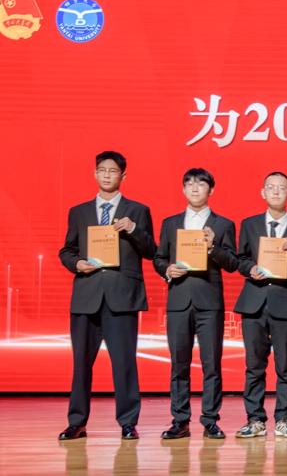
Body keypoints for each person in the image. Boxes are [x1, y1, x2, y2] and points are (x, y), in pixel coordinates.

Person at [57, 150, 157, 440]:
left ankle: (128, 422)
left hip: (122, 296)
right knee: (81, 365)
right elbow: (67, 250)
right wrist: (77, 263)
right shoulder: (79, 211)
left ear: (123, 176)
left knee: (124, 363)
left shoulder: (137, 210)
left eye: (113, 171)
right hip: (86, 295)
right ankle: (77, 422)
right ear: (95, 174)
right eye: (102, 170)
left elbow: (152, 251)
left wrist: (133, 229)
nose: (107, 175)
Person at [153, 168, 238, 439]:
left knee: (211, 363)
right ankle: (180, 420)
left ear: (211, 190)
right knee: (179, 363)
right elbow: (159, 258)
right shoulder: (170, 223)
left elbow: (233, 263)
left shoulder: (223, 225)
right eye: (189, 183)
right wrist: (167, 269)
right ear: (183, 189)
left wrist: (213, 248)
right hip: (179, 299)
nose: (194, 188)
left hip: (209, 301)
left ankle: (210, 420)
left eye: (201, 184)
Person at [233, 172, 287, 439]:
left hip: (285, 303)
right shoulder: (249, 224)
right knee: (254, 365)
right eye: (271, 187)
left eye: (282, 188)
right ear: (263, 192)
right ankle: (255, 419)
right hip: (254, 303)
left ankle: (284, 419)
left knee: (286, 366)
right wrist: (250, 268)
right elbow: (240, 259)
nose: (276, 191)